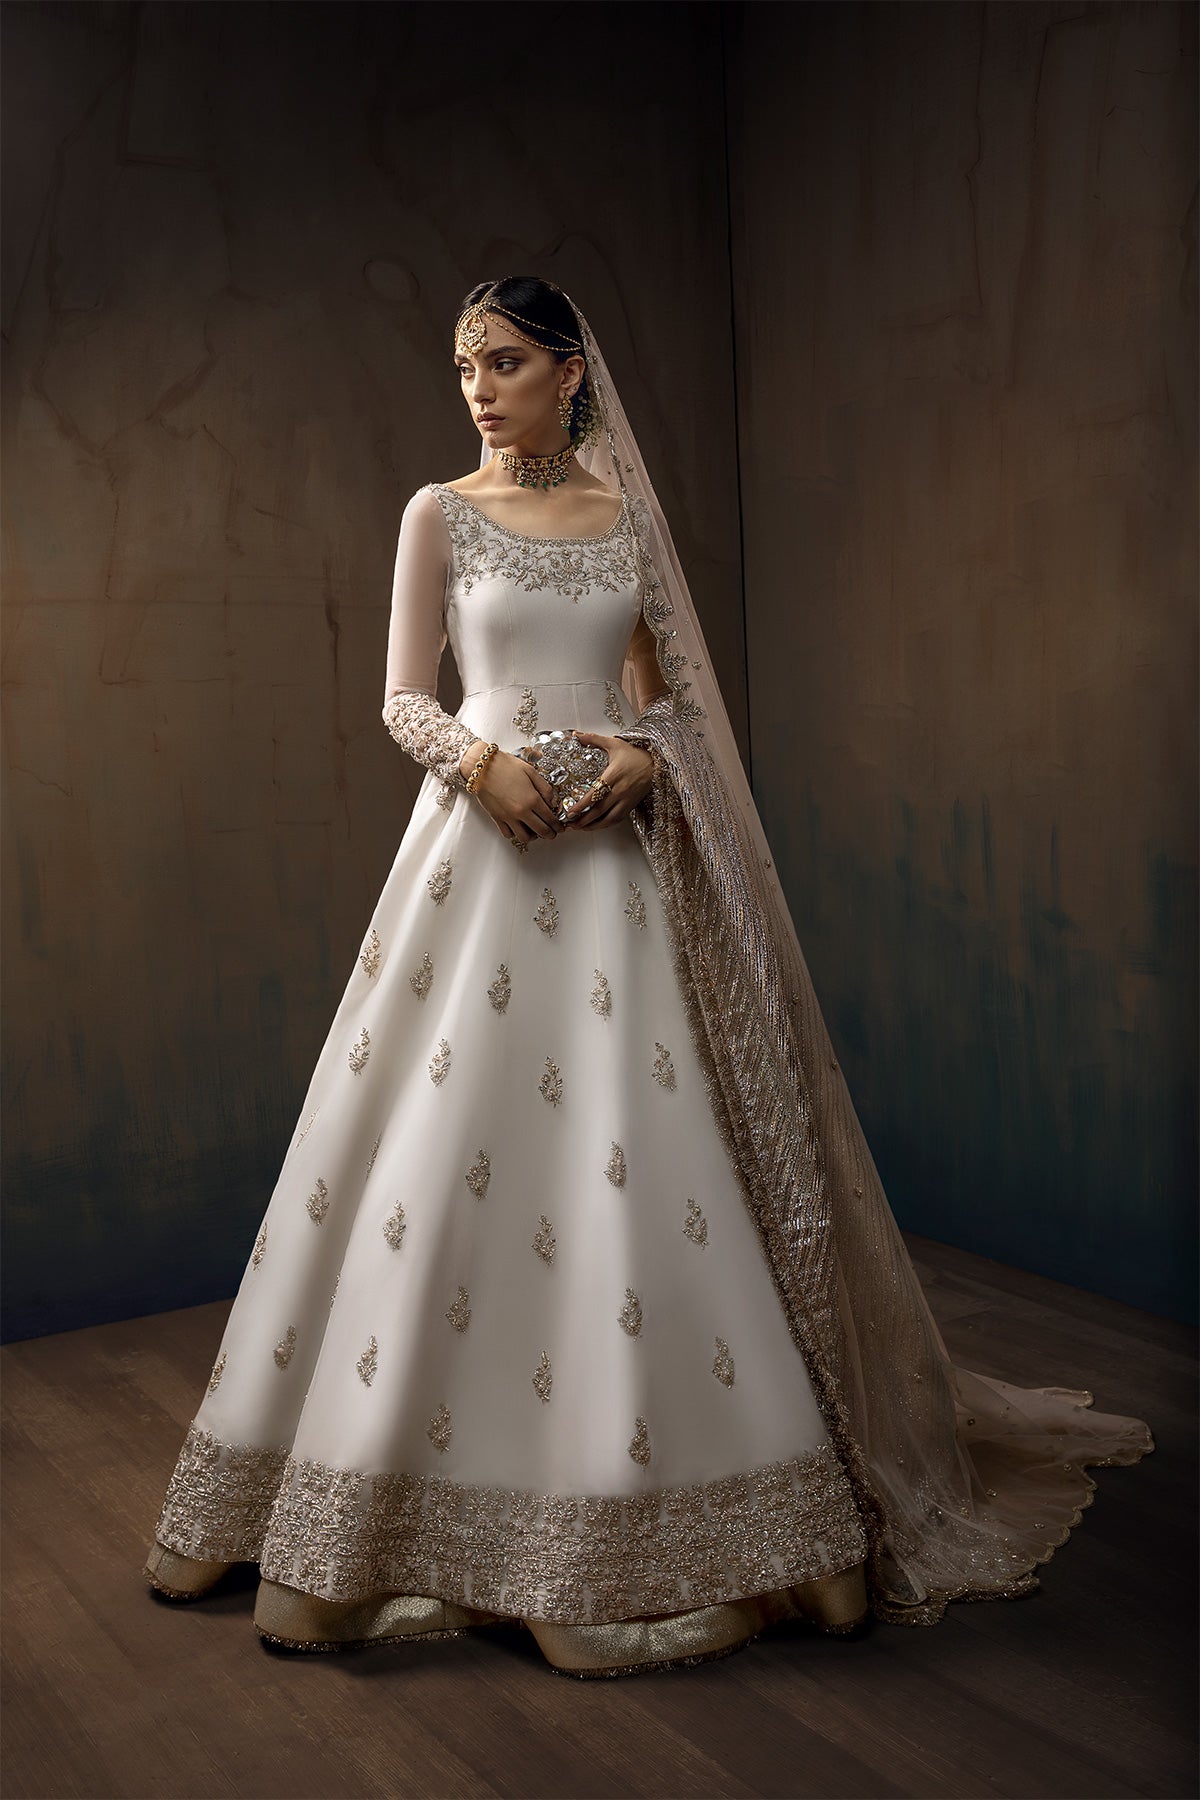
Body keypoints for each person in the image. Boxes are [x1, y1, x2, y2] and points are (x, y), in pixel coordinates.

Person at [143, 276, 1155, 1678]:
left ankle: (678, 1522)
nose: (479, 391)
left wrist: (640, 758)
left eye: (503, 362)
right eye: (462, 369)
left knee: (628, 1159)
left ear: (573, 374)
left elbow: (666, 698)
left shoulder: (627, 526)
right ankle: (364, 1515)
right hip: (476, 861)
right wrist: (478, 763)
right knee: (433, 1156)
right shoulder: (436, 513)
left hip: (616, 879)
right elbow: (401, 694)